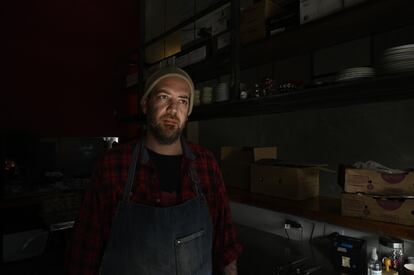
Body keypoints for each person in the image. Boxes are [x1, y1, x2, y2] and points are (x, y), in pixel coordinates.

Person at [66, 67, 242, 275]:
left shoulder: (206, 163)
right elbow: (85, 252)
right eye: (163, 97)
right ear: (145, 104)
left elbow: (226, 243)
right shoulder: (113, 165)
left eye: (183, 101)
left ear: (188, 112)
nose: (173, 109)